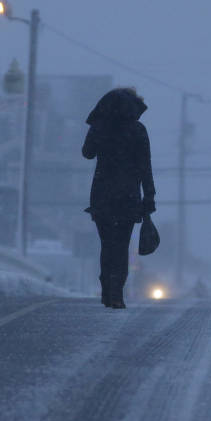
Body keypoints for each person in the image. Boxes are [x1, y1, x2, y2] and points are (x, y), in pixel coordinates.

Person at [82, 87, 156, 309]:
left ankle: (106, 288)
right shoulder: (138, 130)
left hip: (103, 194)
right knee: (122, 246)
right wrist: (149, 198)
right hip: (129, 196)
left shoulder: (100, 128)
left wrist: (97, 127)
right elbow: (146, 168)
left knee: (107, 244)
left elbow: (87, 153)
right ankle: (117, 293)